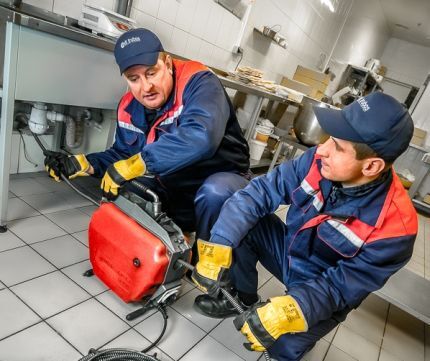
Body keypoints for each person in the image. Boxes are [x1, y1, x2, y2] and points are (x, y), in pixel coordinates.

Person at [191, 92, 418, 361]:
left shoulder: (396, 229)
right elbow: (259, 193)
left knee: (281, 346)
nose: (321, 149)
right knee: (232, 201)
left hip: (322, 284)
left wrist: (291, 311)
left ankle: (296, 327)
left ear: (371, 165)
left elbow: (341, 288)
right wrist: (219, 242)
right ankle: (242, 296)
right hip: (288, 250)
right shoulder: (318, 161)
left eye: (338, 146)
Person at [44, 28, 250, 245]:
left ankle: (209, 261)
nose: (146, 86)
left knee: (214, 193)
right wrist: (82, 163)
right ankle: (172, 245)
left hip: (224, 178)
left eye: (152, 73)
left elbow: (201, 136)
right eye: (134, 79)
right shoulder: (128, 107)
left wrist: (140, 162)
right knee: (132, 188)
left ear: (168, 64)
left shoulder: (198, 82)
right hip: (175, 182)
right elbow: (123, 153)